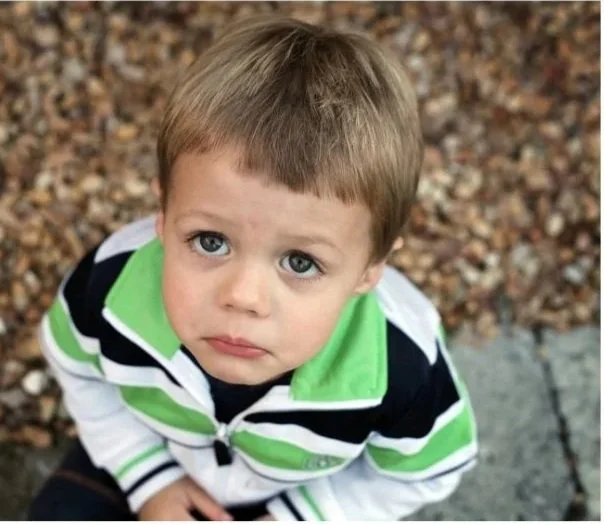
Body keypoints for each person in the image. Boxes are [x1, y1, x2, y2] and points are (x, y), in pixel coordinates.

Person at [28, 14, 477, 521]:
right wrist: (146, 475)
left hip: (306, 497)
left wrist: (300, 516)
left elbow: (428, 470)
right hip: (148, 450)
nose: (242, 296)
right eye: (211, 241)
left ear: (370, 270)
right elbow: (76, 365)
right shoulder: (111, 290)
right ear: (165, 214)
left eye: (300, 262)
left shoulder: (402, 370)